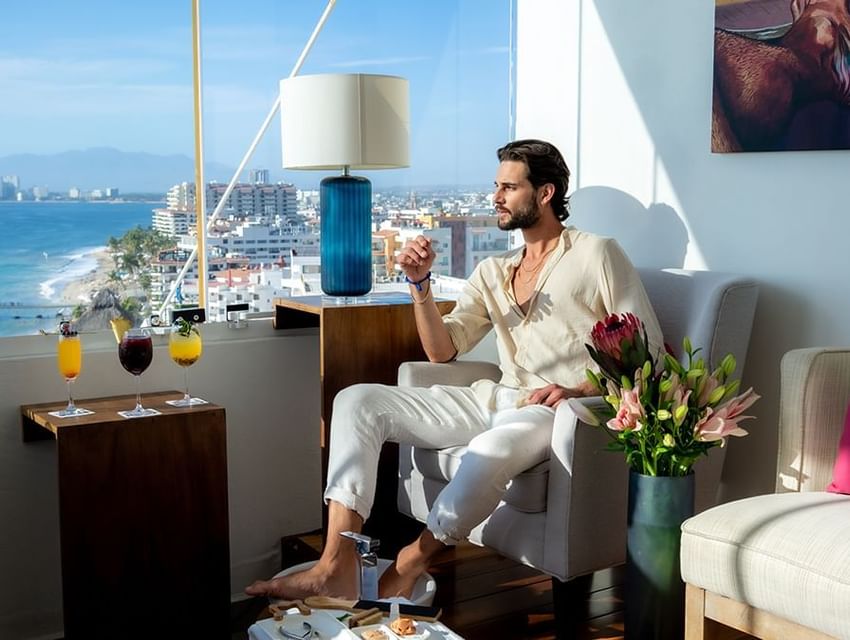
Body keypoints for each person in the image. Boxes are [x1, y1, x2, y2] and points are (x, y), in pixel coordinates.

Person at [245, 139, 663, 601]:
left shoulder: (597, 255)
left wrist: (579, 387)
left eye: (509, 187)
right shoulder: (493, 270)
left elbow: (649, 351)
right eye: (496, 186)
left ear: (545, 193)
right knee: (357, 400)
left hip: (555, 411)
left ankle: (408, 563)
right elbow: (442, 351)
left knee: (487, 449)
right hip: (497, 397)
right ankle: (333, 564)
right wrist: (419, 285)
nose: (496, 197)